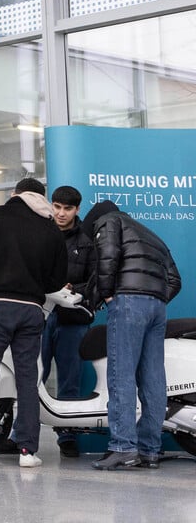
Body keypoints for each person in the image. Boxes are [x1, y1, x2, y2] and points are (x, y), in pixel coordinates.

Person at [0, 178, 67, 468]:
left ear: (15, 194)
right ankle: (29, 451)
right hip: (32, 310)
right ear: (42, 198)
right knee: (28, 380)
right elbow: (56, 279)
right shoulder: (51, 229)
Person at [86, 200, 182, 470]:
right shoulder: (153, 237)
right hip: (157, 308)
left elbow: (107, 255)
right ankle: (149, 450)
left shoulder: (109, 221)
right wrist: (155, 298)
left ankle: (123, 447)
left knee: (121, 374)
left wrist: (107, 293)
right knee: (153, 379)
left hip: (128, 302)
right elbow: (176, 280)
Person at [43, 185, 98, 458]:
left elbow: (95, 282)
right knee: (31, 376)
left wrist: (72, 288)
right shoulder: (39, 233)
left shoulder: (87, 243)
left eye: (67, 208)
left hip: (73, 319)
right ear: (50, 205)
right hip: (40, 316)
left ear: (77, 210)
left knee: (70, 379)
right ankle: (19, 432)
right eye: (57, 206)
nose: (61, 213)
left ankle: (67, 435)